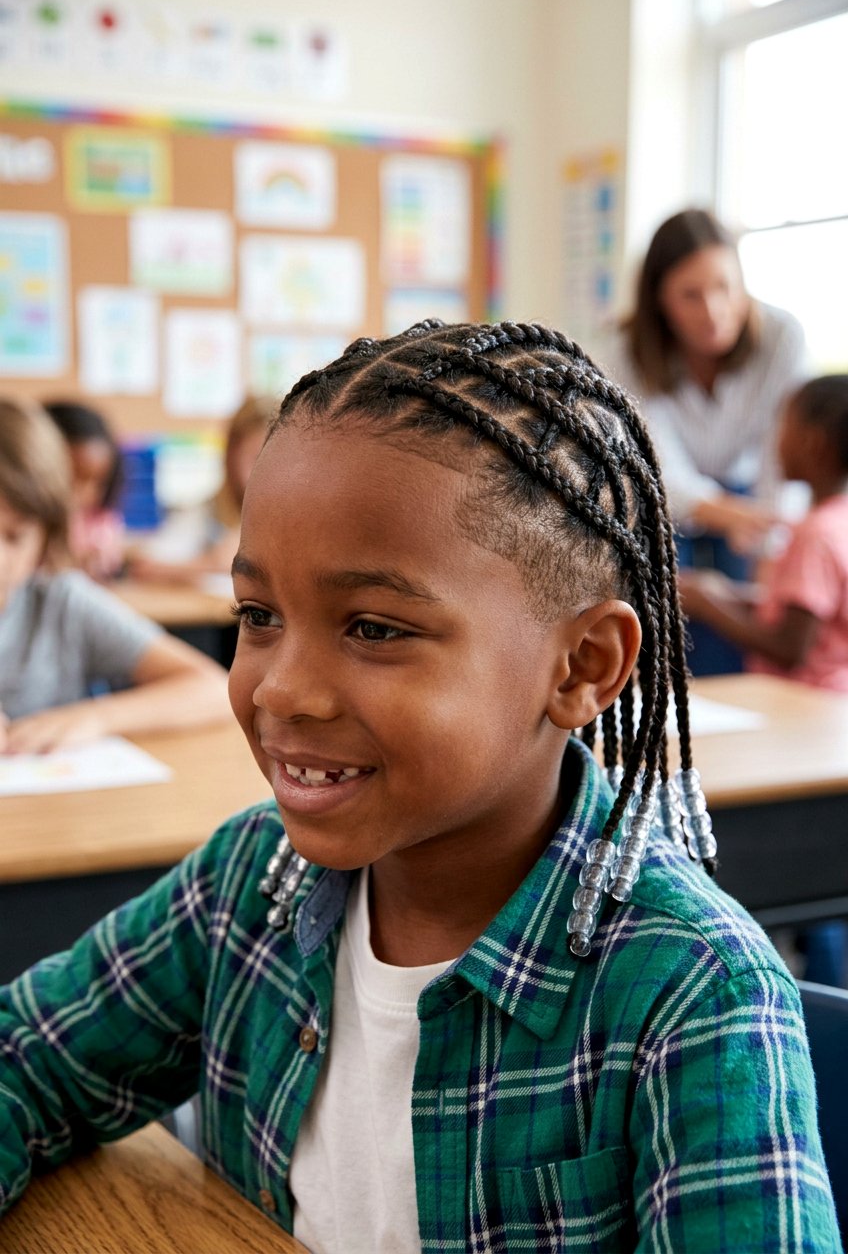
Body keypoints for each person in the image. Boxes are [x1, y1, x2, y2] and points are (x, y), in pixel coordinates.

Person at [0, 324, 838, 1251]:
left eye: (374, 628)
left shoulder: (693, 994)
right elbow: (21, 1064)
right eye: (258, 615)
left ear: (583, 666)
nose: (279, 688)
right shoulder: (249, 884)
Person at [680, 374, 848, 990]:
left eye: (787, 424)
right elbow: (804, 613)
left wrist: (703, 598)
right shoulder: (838, 520)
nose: (776, 439)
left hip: (801, 721)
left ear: (817, 441)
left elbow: (790, 642)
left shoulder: (814, 532)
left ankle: (808, 983)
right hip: (831, 721)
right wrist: (735, 595)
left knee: (786, 863)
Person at [602, 208, 808, 674]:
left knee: (753, 625)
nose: (713, 311)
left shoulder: (782, 337)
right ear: (659, 300)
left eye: (724, 288)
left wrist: (774, 551)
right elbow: (652, 465)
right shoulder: (626, 350)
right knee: (668, 617)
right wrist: (728, 515)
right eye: (690, 295)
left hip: (758, 507)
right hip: (667, 507)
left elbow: (787, 459)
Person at [0, 397, 231, 754]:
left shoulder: (59, 600)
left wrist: (92, 717)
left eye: (15, 537)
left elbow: (214, 690)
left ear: (45, 538)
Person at [126, 396, 275, 587]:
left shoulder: (297, 516)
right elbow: (144, 564)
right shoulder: (208, 513)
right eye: (255, 458)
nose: (266, 472)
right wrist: (213, 563)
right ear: (231, 456)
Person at [43, 397, 126, 581]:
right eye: (72, 478)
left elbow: (113, 558)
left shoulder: (100, 520)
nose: (83, 493)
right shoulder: (25, 523)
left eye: (97, 482)